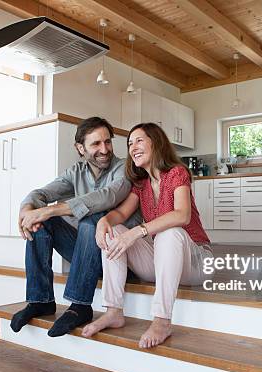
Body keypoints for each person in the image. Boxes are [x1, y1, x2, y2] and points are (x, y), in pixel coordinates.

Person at [82, 123, 213, 348]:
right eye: (130, 143)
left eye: (139, 140)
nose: (133, 147)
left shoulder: (177, 173)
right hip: (163, 262)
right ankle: (113, 311)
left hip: (197, 262)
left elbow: (182, 215)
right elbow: (121, 213)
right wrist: (104, 222)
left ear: (156, 142)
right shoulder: (141, 184)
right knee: (115, 232)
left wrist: (138, 231)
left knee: (169, 232)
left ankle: (162, 320)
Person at [10, 117, 140, 337]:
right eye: (96, 144)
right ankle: (40, 300)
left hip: (118, 260)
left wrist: (51, 209)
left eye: (107, 142)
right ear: (80, 148)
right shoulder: (76, 172)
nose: (105, 149)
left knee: (93, 217)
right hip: (88, 255)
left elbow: (106, 197)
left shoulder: (124, 168)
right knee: (42, 224)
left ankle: (80, 306)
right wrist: (27, 210)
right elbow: (41, 194)